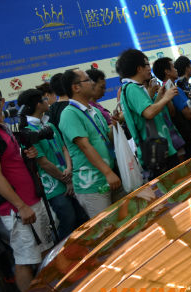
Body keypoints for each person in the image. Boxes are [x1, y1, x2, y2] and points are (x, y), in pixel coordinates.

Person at [0, 84, 54, 292]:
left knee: (45, 252)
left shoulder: (2, 129)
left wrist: (28, 156)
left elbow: (11, 165)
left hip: (32, 201)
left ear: (2, 102)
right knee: (25, 260)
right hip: (17, 209)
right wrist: (21, 206)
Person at [17, 89, 88, 240]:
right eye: (44, 99)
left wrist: (69, 169)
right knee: (68, 218)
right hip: (53, 187)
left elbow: (64, 148)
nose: (47, 101)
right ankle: (63, 251)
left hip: (69, 176)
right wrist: (66, 180)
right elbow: (43, 162)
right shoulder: (27, 132)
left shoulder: (49, 125)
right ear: (38, 104)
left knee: (82, 216)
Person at [59, 69, 121, 218]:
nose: (93, 83)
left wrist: (115, 126)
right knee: (106, 227)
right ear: (76, 87)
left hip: (109, 176)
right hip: (92, 185)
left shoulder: (94, 110)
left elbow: (106, 138)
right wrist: (108, 172)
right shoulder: (69, 114)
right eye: (88, 80)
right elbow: (85, 146)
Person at [116, 49, 179, 177]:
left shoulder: (134, 87)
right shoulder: (132, 88)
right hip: (156, 150)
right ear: (139, 68)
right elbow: (149, 113)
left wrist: (160, 96)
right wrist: (166, 97)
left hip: (159, 148)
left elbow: (148, 111)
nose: (149, 68)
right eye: (147, 64)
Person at [151, 57, 187, 159]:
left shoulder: (170, 88)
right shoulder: (167, 90)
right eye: (173, 67)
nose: (176, 69)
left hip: (177, 136)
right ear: (167, 71)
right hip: (175, 137)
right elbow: (181, 113)